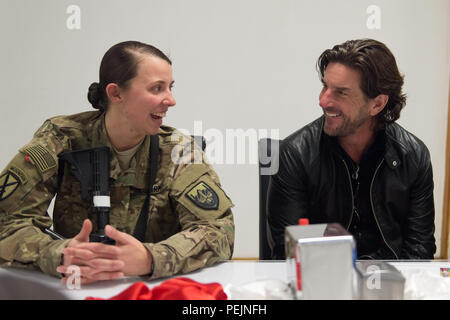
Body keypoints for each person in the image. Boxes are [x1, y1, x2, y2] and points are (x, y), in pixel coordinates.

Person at [0, 41, 235, 284]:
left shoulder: (179, 152)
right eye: (157, 88)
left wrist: (152, 258)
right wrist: (59, 254)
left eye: (170, 87)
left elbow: (219, 230)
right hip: (75, 289)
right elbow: (6, 221)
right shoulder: (60, 140)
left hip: (150, 291)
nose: (171, 100)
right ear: (115, 93)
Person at [267, 39, 436, 260]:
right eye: (325, 87)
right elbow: (288, 253)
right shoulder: (294, 155)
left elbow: (419, 252)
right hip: (322, 286)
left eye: (341, 92)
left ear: (377, 104)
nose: (323, 101)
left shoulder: (413, 156)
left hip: (390, 285)